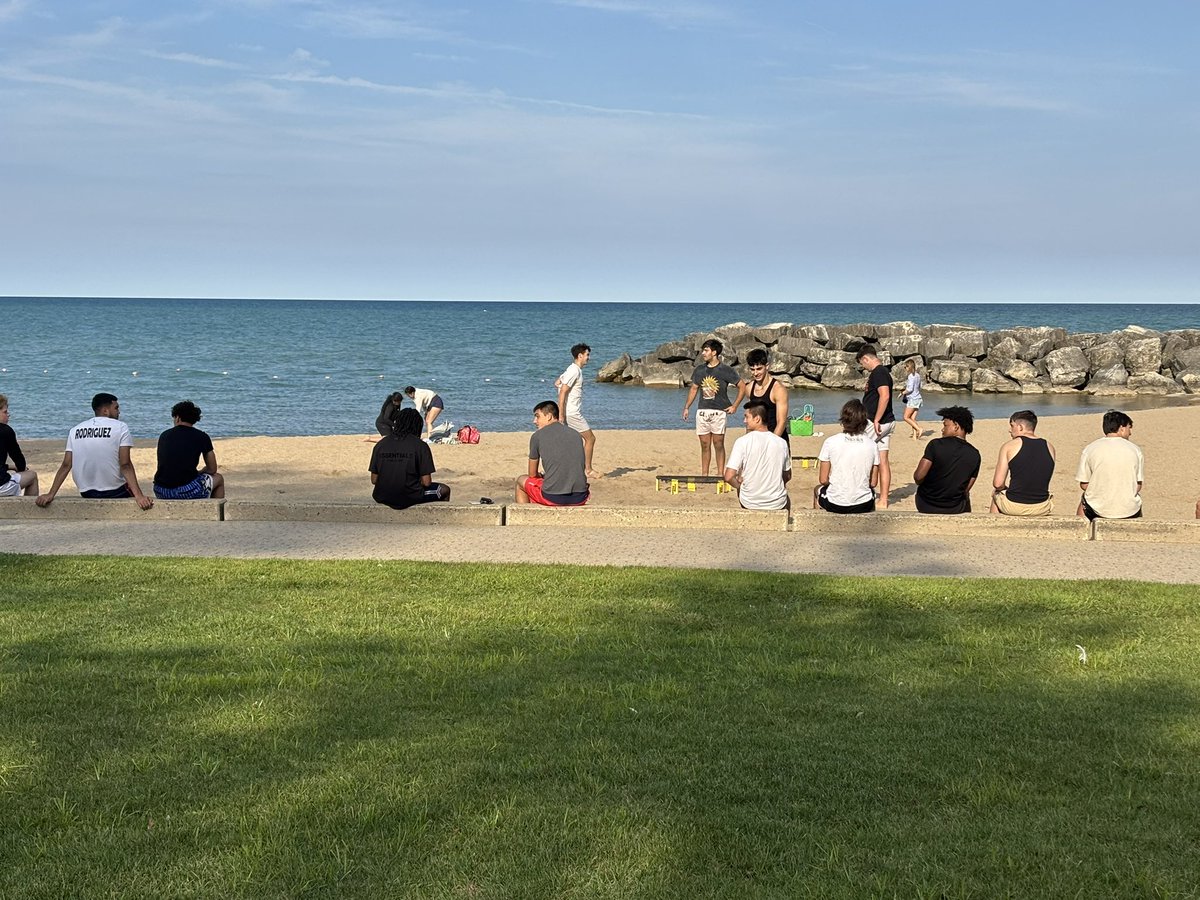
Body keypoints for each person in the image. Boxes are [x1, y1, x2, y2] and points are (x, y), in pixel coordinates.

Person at [36, 392, 153, 509]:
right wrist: (139, 496)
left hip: (87, 492)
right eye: (116, 408)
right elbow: (125, 464)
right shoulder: (121, 427)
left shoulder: (75, 430)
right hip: (114, 491)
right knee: (138, 494)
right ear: (105, 411)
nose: (119, 412)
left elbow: (66, 465)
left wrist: (51, 494)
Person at [682, 339, 747, 476]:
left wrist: (735, 406)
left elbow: (742, 386)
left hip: (719, 412)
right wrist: (687, 407)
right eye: (703, 350)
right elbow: (694, 389)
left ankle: (719, 474)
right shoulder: (700, 370)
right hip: (702, 411)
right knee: (705, 445)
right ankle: (704, 475)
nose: (703, 353)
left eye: (706, 350)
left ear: (714, 352)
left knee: (718, 443)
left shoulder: (726, 370)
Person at [370, 407, 451, 508]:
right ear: (417, 426)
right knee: (444, 490)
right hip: (410, 496)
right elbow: (426, 482)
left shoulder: (381, 444)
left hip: (381, 495)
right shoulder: (421, 446)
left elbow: (374, 480)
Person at [515, 400, 590, 506]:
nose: (534, 421)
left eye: (537, 416)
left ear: (549, 416)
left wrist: (541, 476)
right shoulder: (576, 434)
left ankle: (524, 517)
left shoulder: (537, 436)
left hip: (553, 497)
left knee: (521, 481)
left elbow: (532, 474)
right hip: (580, 496)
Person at [813, 399, 879, 514]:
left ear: (843, 420)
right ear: (864, 422)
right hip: (863, 503)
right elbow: (873, 483)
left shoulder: (830, 442)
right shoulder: (872, 445)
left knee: (817, 490)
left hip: (836, 502)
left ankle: (818, 523)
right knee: (870, 493)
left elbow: (823, 480)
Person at [1075, 410, 1143, 520]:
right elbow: (1138, 486)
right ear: (1122, 428)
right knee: (1136, 500)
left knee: (1084, 499)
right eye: (1129, 428)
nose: (1130, 432)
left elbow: (1084, 484)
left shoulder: (1090, 448)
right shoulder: (1135, 449)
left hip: (1098, 507)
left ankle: (1080, 529)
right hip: (1128, 509)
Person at [723, 402, 791, 510]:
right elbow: (787, 476)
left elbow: (728, 476)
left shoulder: (742, 441)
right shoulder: (781, 442)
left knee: (741, 483)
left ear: (757, 419)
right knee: (786, 499)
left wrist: (739, 486)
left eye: (747, 417)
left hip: (749, 502)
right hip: (776, 502)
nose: (744, 421)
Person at [913, 406, 980, 514]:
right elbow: (966, 489)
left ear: (956, 427)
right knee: (966, 498)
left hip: (926, 504)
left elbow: (918, 477)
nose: (942, 429)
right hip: (955, 507)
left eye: (945, 425)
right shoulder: (975, 454)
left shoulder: (935, 445)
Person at [152, 401, 225, 500]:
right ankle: (214, 512)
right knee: (219, 478)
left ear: (177, 418)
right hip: (186, 490)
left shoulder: (164, 435)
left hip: (161, 490)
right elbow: (212, 469)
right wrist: (200, 472)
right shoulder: (202, 436)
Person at [990, 409, 1055, 516]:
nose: (1010, 430)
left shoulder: (1009, 446)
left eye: (1012, 426)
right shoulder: (1050, 446)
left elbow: (998, 483)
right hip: (1042, 505)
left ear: (1020, 427)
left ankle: (994, 529)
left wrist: (1004, 489)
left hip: (1015, 505)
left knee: (996, 494)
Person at [855, 346, 896, 508]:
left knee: (861, 453)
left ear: (866, 359)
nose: (863, 367)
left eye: (862, 364)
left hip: (875, 422)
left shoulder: (879, 373)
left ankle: (862, 491)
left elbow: (884, 396)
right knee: (882, 459)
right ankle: (883, 499)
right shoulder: (883, 372)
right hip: (886, 421)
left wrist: (877, 419)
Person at [555, 342, 597, 478]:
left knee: (570, 442)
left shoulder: (571, 369)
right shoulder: (574, 371)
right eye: (587, 355)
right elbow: (563, 391)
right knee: (590, 439)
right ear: (580, 356)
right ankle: (588, 470)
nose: (588, 358)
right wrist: (561, 414)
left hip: (570, 412)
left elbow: (558, 382)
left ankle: (566, 469)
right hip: (572, 413)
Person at [744, 348, 789, 446]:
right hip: (756, 441)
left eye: (759, 369)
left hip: (776, 439)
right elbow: (750, 418)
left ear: (767, 366)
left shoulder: (778, 389)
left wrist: (772, 444)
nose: (755, 373)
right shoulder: (749, 388)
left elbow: (781, 422)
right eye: (752, 370)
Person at [0, 394, 38, 497]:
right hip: (1, 487)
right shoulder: (5, 431)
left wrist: (10, 467)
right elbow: (20, 462)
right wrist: (20, 468)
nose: (8, 415)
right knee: (32, 476)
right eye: (5, 412)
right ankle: (29, 512)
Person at [900, 358, 923, 440]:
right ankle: (914, 435)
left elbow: (910, 389)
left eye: (905, 367)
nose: (905, 369)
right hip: (918, 398)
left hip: (913, 399)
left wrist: (902, 393)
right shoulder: (918, 375)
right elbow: (920, 386)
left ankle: (918, 429)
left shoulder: (911, 376)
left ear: (909, 367)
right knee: (912, 419)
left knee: (906, 417)